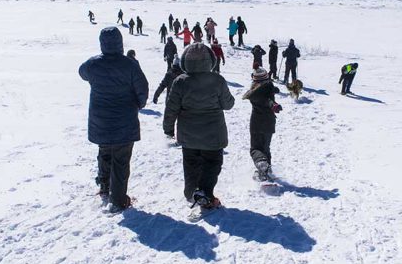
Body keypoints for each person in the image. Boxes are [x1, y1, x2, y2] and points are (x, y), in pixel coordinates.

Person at [79, 27, 149, 211]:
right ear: (120, 42)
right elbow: (143, 89)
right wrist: (139, 104)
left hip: (100, 120)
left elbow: (82, 72)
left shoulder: (93, 64)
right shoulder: (130, 64)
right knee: (120, 159)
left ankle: (104, 186)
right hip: (124, 121)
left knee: (105, 152)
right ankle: (118, 200)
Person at [163, 43, 235, 208]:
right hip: (213, 134)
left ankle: (192, 192)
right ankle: (204, 193)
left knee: (190, 164)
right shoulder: (217, 80)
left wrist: (168, 127)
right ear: (211, 60)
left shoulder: (180, 81)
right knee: (212, 164)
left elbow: (171, 107)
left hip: (188, 135)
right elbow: (228, 104)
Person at [243, 68, 281, 181]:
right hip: (269, 122)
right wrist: (274, 105)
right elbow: (267, 100)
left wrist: (273, 103)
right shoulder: (268, 88)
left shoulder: (253, 92)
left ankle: (262, 165)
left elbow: (267, 99)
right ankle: (265, 170)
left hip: (256, 122)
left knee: (255, 148)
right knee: (265, 148)